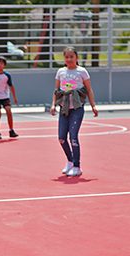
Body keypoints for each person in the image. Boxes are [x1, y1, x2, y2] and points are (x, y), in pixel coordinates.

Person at [50, 47, 98, 177]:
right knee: (61, 138)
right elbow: (56, 90)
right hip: (64, 108)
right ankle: (70, 161)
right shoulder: (60, 71)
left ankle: (77, 166)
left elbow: (89, 89)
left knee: (73, 137)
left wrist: (93, 106)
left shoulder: (82, 72)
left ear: (76, 58)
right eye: (67, 57)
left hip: (77, 108)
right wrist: (53, 105)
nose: (69, 59)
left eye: (72, 57)